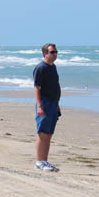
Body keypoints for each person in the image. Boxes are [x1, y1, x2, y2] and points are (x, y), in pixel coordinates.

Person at [33, 43, 61, 172]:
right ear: (45, 53)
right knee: (42, 133)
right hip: (44, 103)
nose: (55, 54)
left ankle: (44, 161)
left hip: (53, 104)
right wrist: (39, 106)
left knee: (48, 134)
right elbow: (37, 88)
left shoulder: (53, 67)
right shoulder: (41, 68)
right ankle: (39, 162)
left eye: (56, 52)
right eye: (52, 52)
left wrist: (57, 105)